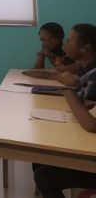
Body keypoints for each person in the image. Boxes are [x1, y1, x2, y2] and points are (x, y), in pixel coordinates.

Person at [32, 23, 96, 197]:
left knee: (44, 175)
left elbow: (90, 123)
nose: (65, 44)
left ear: (85, 47)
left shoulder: (94, 73)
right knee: (40, 155)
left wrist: (68, 91)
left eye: (69, 40)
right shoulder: (86, 67)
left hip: (91, 151)